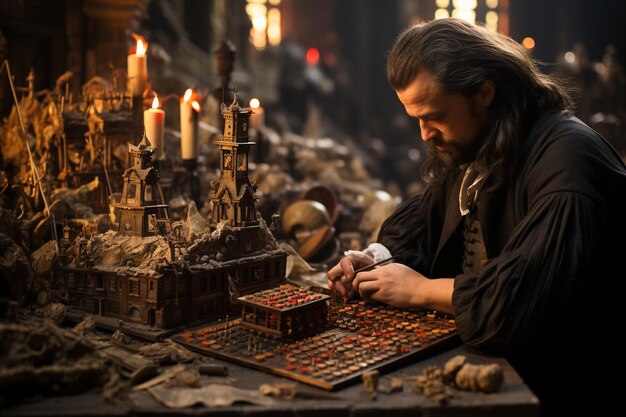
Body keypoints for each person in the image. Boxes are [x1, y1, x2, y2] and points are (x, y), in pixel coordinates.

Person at [327, 18, 626, 416]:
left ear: (485, 93)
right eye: (415, 118)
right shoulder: (487, 137)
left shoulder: (566, 161)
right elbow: (431, 216)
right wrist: (377, 260)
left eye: (433, 116)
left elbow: (515, 303)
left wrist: (420, 291)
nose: (424, 134)